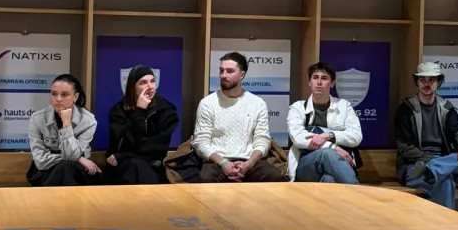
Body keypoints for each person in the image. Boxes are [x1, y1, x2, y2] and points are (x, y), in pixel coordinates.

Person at [395, 61, 458, 209]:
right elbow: (405, 148)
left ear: (439, 82)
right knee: (445, 180)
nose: (427, 84)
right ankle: (445, 228)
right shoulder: (405, 110)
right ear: (417, 82)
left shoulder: (446, 108)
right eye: (422, 80)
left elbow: (457, 131)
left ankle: (436, 169)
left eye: (432, 80)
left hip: (442, 162)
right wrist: (434, 161)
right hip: (416, 166)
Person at [194, 52, 284, 183]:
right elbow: (201, 142)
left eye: (229, 71)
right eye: (221, 71)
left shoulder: (257, 103)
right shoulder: (207, 103)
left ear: (242, 75)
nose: (223, 75)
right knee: (205, 178)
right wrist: (223, 163)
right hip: (217, 162)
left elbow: (262, 140)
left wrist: (249, 163)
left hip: (249, 161)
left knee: (274, 176)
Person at [286, 62, 362, 184]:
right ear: (310, 82)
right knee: (326, 154)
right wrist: (334, 147)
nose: (319, 82)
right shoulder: (298, 108)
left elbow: (356, 136)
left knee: (329, 179)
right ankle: (359, 192)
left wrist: (328, 135)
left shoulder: (344, 106)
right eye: (315, 78)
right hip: (306, 166)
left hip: (340, 164)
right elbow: (298, 138)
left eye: (324, 78)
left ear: (332, 83)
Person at [105, 66, 179, 185]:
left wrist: (124, 155)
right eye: (143, 83)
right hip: (124, 168)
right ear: (132, 87)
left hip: (152, 167)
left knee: (137, 167)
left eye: (152, 81)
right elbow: (122, 144)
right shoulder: (118, 111)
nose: (150, 86)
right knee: (133, 166)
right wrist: (139, 111)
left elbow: (156, 149)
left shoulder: (166, 111)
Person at [26, 74, 99, 187]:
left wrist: (66, 124)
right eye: (54, 94)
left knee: (66, 167)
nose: (58, 99)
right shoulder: (37, 118)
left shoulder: (88, 121)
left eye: (64, 94)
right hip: (45, 172)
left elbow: (71, 156)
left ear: (76, 97)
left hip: (75, 172)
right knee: (64, 167)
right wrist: (80, 159)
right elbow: (40, 161)